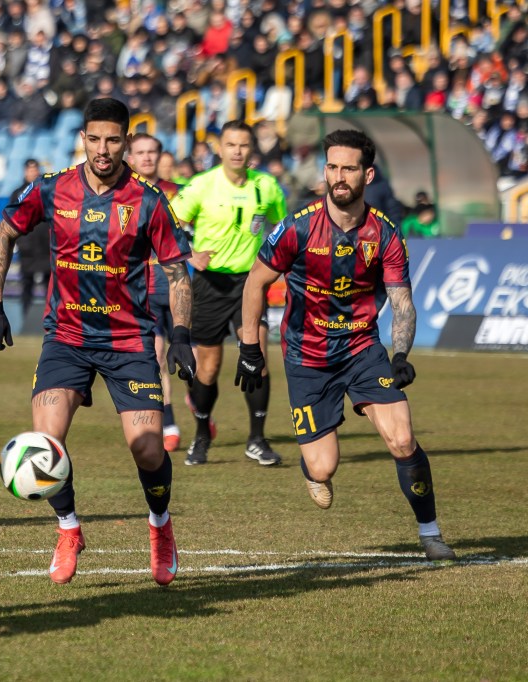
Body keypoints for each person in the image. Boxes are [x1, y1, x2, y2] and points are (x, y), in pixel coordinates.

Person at [0, 98, 197, 586]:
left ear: (126, 142)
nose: (103, 149)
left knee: (148, 449)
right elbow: (5, 232)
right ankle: (68, 528)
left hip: (128, 340)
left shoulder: (148, 201)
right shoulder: (52, 188)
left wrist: (181, 334)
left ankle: (160, 524)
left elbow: (177, 273)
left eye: (113, 140)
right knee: (46, 442)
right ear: (83, 139)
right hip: (67, 337)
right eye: (94, 139)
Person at [234, 129, 456, 562]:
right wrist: (249, 349)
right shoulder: (297, 227)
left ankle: (430, 534)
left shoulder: (385, 234)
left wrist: (400, 355)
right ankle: (313, 469)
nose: (338, 176)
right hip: (307, 356)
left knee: (402, 438)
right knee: (323, 467)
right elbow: (255, 283)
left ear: (367, 175)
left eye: (349, 168)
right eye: (332, 167)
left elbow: (402, 303)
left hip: (361, 349)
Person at [169, 120, 287, 467]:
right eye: (231, 144)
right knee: (208, 367)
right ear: (220, 149)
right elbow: (170, 225)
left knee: (257, 357)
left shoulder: (267, 187)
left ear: (252, 149)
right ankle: (202, 435)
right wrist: (191, 254)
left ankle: (257, 440)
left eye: (244, 145)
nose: (237, 151)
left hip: (251, 284)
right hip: (210, 285)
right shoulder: (201, 185)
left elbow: (283, 230)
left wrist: (280, 267)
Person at [126, 133, 185, 452]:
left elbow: (196, 231)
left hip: (178, 286)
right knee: (157, 356)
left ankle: (201, 406)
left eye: (152, 152)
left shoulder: (179, 193)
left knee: (196, 363)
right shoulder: (124, 193)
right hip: (144, 287)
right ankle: (169, 423)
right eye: (141, 152)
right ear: (130, 158)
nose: (147, 157)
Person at [10, 159, 50, 319]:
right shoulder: (18, 194)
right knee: (27, 283)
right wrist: (20, 241)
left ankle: (51, 318)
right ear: (25, 172)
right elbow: (12, 220)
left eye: (35, 170)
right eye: (30, 170)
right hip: (28, 246)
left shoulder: (47, 191)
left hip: (46, 246)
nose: (32, 173)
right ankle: (25, 316)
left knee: (49, 284)